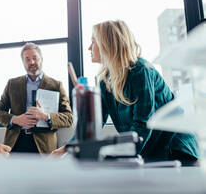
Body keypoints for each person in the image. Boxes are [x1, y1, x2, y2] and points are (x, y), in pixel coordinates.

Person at [52, 20, 198, 165]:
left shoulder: (141, 70)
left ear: (107, 44)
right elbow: (96, 123)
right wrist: (66, 149)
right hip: (151, 150)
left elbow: (143, 124)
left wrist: (121, 156)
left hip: (175, 147)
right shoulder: (105, 81)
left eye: (93, 42)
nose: (89, 48)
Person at [0, 42, 73, 154]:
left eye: (35, 58)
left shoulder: (56, 85)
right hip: (15, 143)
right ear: (23, 62)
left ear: (41, 59)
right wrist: (16, 119)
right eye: (27, 59)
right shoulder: (12, 84)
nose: (31, 62)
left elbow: (69, 118)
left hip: (44, 147)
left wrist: (46, 116)